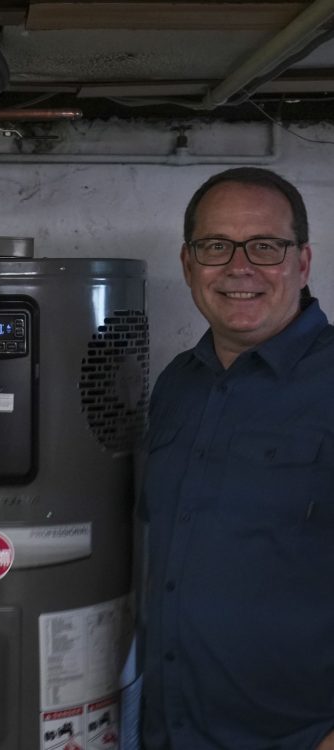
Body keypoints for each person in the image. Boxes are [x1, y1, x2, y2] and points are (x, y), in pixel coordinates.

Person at [140, 167, 334, 750]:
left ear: (302, 262)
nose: (239, 267)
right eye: (216, 246)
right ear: (187, 263)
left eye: (265, 247)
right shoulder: (177, 384)